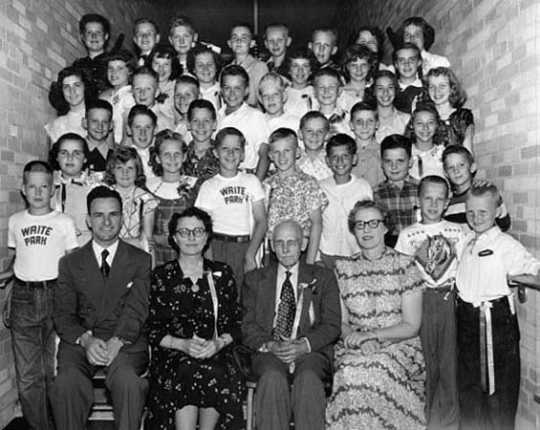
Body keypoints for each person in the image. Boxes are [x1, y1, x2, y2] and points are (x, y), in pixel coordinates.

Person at [50, 186, 151, 430]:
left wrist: (119, 339)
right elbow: (63, 313)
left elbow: (138, 308)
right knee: (66, 384)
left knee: (128, 382)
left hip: (126, 339)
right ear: (88, 220)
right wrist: (86, 341)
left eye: (113, 214)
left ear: (122, 217)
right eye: (99, 215)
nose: (106, 222)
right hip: (82, 339)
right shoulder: (70, 263)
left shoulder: (140, 259)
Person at [326, 199, 425, 430]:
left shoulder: (405, 265)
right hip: (354, 345)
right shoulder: (342, 269)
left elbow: (411, 325)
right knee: (351, 370)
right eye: (360, 225)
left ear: (385, 227)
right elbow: (340, 322)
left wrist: (372, 336)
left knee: (377, 368)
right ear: (354, 230)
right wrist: (358, 340)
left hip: (399, 344)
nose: (367, 230)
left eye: (373, 223)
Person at [147, 207, 244, 430]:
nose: (191, 237)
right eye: (184, 232)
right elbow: (152, 329)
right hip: (173, 354)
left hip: (216, 351)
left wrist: (217, 343)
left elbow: (236, 324)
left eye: (198, 231)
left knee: (217, 370)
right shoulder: (161, 276)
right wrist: (183, 345)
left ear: (207, 235)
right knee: (186, 369)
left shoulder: (222, 273)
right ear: (174, 238)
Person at [455, 183, 540, 430]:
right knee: (469, 387)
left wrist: (519, 278)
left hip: (494, 322)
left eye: (483, 212)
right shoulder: (466, 241)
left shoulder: (506, 245)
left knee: (497, 391)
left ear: (497, 211)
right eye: (471, 212)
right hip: (466, 320)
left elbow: (535, 272)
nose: (476, 218)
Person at [242, 219, 341, 430]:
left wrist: (304, 345)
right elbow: (247, 325)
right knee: (271, 377)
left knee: (308, 378)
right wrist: (271, 345)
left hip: (311, 352)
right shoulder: (254, 279)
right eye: (279, 243)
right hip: (269, 351)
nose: (285, 249)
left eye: (292, 242)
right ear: (271, 245)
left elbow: (332, 324)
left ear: (303, 244)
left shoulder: (323, 277)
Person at [8, 161, 78, 430]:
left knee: (52, 372)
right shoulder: (16, 221)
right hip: (23, 298)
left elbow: (72, 265)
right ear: (23, 189)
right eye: (32, 186)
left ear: (53, 189)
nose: (38, 192)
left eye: (44, 186)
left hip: (56, 296)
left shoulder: (64, 222)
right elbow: (16, 259)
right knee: (27, 376)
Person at [395, 175, 466, 430]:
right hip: (419, 303)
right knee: (425, 363)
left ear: (447, 203)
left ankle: (449, 423)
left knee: (449, 363)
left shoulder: (458, 232)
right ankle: (422, 421)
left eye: (439, 199)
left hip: (449, 301)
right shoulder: (408, 235)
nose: (433, 204)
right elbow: (400, 274)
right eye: (428, 198)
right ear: (418, 200)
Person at [195, 127, 267, 291]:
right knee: (218, 296)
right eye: (225, 149)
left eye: (236, 149)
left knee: (246, 297)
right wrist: (208, 259)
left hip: (245, 246)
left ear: (242, 154)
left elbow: (261, 221)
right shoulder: (209, 186)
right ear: (215, 152)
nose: (231, 154)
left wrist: (250, 254)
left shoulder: (251, 181)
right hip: (217, 246)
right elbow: (201, 227)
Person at [265, 128, 328, 265]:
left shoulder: (308, 183)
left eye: (287, 151)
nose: (282, 157)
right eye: (277, 152)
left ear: (298, 152)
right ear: (270, 155)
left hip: (301, 250)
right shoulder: (267, 185)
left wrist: (310, 261)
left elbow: (316, 223)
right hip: (275, 251)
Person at [319, 134, 372, 269]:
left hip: (355, 252)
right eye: (334, 157)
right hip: (327, 253)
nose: (340, 161)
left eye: (345, 156)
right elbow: (316, 223)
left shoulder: (363, 186)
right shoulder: (320, 187)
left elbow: (369, 222)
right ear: (327, 161)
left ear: (354, 159)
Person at [146, 129, 197, 266]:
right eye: (166, 154)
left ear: (185, 156)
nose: (172, 159)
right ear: (157, 157)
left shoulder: (194, 186)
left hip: (187, 258)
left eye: (177, 154)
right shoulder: (148, 188)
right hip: (156, 258)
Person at [217, 65, 270, 180]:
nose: (232, 93)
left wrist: (256, 183)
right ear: (221, 90)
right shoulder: (217, 117)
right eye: (227, 88)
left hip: (247, 176)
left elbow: (264, 154)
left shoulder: (255, 116)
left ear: (246, 91)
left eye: (237, 88)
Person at [103, 146, 157, 254]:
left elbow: (146, 241)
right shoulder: (104, 194)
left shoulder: (146, 199)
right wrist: (134, 242)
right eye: (120, 168)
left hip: (135, 253)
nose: (125, 173)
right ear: (112, 170)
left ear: (137, 171)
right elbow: (101, 237)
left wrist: (138, 243)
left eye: (130, 168)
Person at [442, 145, 511, 231]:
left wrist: (495, 198)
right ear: (446, 173)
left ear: (472, 167)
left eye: (461, 165)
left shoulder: (483, 193)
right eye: (451, 167)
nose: (456, 170)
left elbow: (505, 224)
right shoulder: (447, 203)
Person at [48, 133, 98, 246]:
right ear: (56, 157)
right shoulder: (47, 185)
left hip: (85, 248)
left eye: (76, 153)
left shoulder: (95, 187)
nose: (70, 158)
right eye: (64, 153)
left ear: (85, 158)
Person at [373, 134, 419, 247]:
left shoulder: (422, 189)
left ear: (410, 162)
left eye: (400, 161)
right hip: (390, 248)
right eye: (388, 161)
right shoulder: (375, 194)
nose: (394, 167)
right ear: (381, 163)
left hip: (419, 244)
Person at [426, 67, 474, 151]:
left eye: (442, 86)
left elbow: (468, 149)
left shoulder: (463, 116)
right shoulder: (422, 116)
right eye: (432, 87)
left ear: (452, 88)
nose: (436, 91)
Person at [228, 22, 269, 107]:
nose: (238, 41)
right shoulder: (226, 69)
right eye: (234, 37)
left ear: (252, 43)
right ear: (229, 43)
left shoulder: (259, 67)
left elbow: (263, 98)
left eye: (244, 38)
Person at [100, 49, 136, 144]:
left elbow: (128, 136)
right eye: (110, 68)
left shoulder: (129, 95)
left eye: (120, 68)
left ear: (130, 71)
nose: (114, 73)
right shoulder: (109, 95)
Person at [45, 67, 87, 144]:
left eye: (77, 85)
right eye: (66, 87)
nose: (72, 91)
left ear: (85, 87)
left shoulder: (97, 116)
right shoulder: (57, 124)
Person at [349, 101, 385, 187]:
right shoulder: (346, 152)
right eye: (359, 122)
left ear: (377, 124)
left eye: (370, 121)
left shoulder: (383, 152)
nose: (364, 126)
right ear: (351, 125)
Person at [182, 99, 220, 182]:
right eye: (196, 121)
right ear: (188, 124)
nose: (201, 125)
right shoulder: (181, 155)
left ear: (214, 124)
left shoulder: (222, 155)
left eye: (206, 121)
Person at [72, 14, 110, 95]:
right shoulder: (77, 66)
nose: (94, 36)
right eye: (89, 32)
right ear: (83, 37)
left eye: (98, 32)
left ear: (106, 36)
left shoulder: (114, 62)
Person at [407, 101, 445, 179]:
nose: (425, 127)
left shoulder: (443, 154)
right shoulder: (405, 153)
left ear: (437, 125)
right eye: (420, 123)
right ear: (412, 125)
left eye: (430, 123)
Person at [132, 66, 175, 133]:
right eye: (138, 89)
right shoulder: (129, 115)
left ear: (157, 92)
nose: (142, 93)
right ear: (132, 92)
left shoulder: (163, 124)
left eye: (148, 89)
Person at [373, 70, 410, 143]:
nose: (385, 93)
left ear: (395, 90)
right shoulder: (366, 119)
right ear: (374, 91)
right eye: (380, 88)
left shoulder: (406, 119)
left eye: (390, 87)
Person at [312, 68, 350, 137]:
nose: (326, 91)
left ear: (339, 91)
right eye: (321, 87)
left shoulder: (348, 119)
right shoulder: (308, 119)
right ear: (314, 91)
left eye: (331, 87)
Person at [338, 44, 375, 114]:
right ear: (347, 67)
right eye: (354, 65)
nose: (359, 70)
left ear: (369, 66)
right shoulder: (340, 93)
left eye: (363, 65)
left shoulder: (374, 90)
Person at [296, 111, 333, 181]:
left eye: (320, 131)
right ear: (300, 134)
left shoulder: (333, 160)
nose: (314, 135)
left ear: (327, 135)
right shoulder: (294, 160)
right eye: (309, 131)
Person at [150, 44, 182, 122]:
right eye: (157, 64)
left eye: (166, 64)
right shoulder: (143, 86)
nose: (161, 69)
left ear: (173, 66)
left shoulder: (177, 88)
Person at [126, 104, 158, 181]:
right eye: (137, 127)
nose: (143, 133)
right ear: (129, 130)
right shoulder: (124, 159)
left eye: (147, 127)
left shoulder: (161, 155)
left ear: (155, 129)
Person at [84, 99, 115, 177]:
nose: (100, 126)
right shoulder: (75, 152)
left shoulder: (116, 156)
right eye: (94, 121)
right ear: (84, 123)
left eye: (104, 122)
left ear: (111, 125)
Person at [393, 42, 425, 114]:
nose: (406, 64)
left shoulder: (427, 89)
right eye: (401, 60)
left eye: (411, 60)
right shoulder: (390, 90)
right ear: (396, 64)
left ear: (419, 62)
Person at [283, 48, 316, 118]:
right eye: (295, 66)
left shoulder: (317, 93)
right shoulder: (282, 94)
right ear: (289, 70)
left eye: (305, 66)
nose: (300, 70)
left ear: (311, 70)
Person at [187, 45, 222, 111]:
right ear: (194, 69)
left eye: (209, 64)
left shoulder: (223, 91)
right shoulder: (190, 92)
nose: (205, 68)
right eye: (200, 65)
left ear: (216, 67)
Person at [173, 75, 200, 140]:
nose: (182, 99)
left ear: (199, 97)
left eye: (188, 95)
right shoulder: (176, 125)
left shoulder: (200, 127)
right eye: (178, 95)